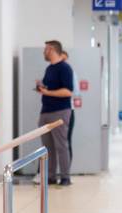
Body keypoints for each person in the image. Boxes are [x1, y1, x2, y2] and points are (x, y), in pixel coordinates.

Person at [36, 40, 73, 186]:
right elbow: (49, 88)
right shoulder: (49, 69)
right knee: (47, 148)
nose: (44, 52)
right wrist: (42, 88)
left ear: (51, 49)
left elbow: (68, 91)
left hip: (60, 112)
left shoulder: (65, 68)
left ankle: (65, 177)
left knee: (61, 146)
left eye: (46, 49)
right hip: (45, 111)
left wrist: (48, 92)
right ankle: (50, 176)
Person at [61, 50, 78, 162]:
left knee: (66, 141)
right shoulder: (50, 71)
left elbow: (74, 92)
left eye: (65, 59)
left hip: (67, 111)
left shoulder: (70, 72)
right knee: (49, 144)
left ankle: (66, 171)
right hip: (52, 112)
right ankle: (44, 170)